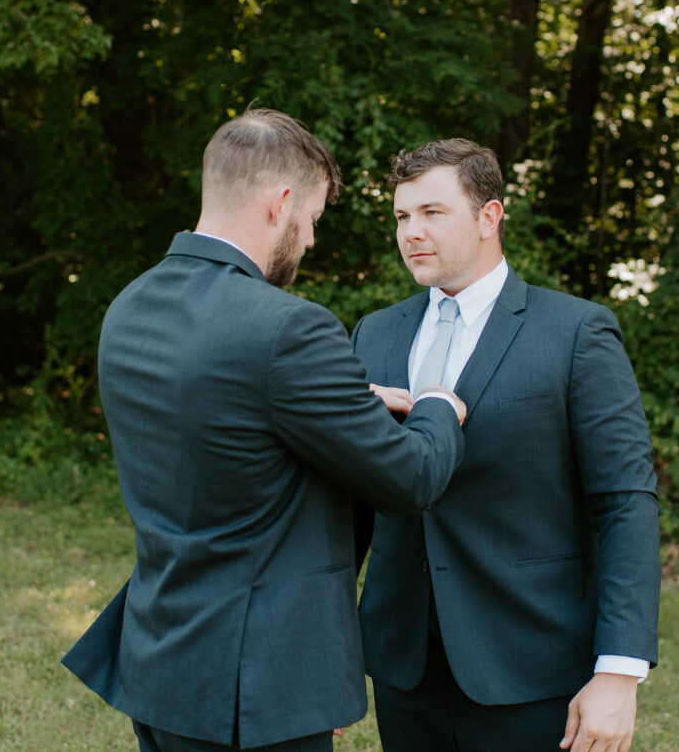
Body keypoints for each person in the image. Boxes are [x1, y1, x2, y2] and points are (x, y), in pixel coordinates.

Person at [62, 109, 468, 752]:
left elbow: (216, 420)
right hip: (256, 688)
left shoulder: (130, 307)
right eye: (310, 221)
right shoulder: (289, 329)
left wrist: (338, 400)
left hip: (162, 662)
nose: (308, 243)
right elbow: (411, 477)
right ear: (280, 205)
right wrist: (441, 405)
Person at [351, 139, 660, 752]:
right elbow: (350, 510)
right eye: (402, 216)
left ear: (489, 217)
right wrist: (329, 654)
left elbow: (626, 502)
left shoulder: (575, 332)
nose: (411, 231)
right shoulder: (373, 334)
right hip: (402, 667)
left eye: (432, 213)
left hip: (533, 666)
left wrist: (618, 672)